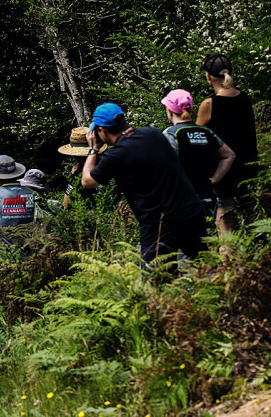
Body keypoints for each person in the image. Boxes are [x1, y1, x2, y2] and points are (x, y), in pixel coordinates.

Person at [80, 102, 210, 263]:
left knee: (157, 281)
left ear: (101, 130)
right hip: (191, 210)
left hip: (158, 224)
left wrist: (93, 150)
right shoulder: (153, 133)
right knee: (206, 268)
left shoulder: (116, 155)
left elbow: (86, 181)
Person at [196, 54, 258, 233]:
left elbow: (196, 136)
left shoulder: (209, 104)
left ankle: (227, 257)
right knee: (252, 217)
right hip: (249, 166)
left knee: (225, 221)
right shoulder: (245, 98)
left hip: (222, 171)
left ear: (208, 76)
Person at [161, 88, 235, 224]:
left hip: (181, 199)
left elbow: (163, 167)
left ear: (169, 111)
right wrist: (214, 180)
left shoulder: (171, 134)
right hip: (207, 196)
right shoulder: (205, 131)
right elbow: (229, 155)